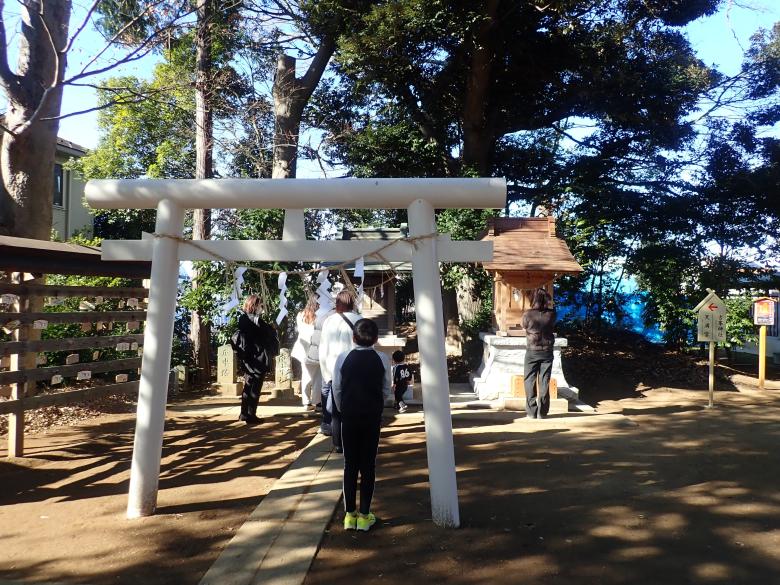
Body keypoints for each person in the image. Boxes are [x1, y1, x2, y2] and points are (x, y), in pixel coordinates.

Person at [332, 318, 391, 532]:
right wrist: (378, 405)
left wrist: (343, 409)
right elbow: (386, 388)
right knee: (368, 465)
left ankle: (349, 515)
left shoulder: (343, 357)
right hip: (372, 416)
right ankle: (365, 516)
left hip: (349, 416)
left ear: (353, 337)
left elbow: (337, 388)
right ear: (376, 339)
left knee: (350, 464)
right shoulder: (382, 358)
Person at [319, 290, 361, 450]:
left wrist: (325, 370)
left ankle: (338, 443)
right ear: (352, 303)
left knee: (337, 409)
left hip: (332, 366)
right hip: (353, 367)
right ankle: (352, 439)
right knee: (354, 405)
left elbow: (323, 346)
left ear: (337, 303)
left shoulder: (329, 321)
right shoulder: (359, 320)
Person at [230, 294, 279, 425]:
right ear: (255, 305)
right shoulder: (256, 321)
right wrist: (272, 328)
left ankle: (244, 413)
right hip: (258, 357)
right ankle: (251, 415)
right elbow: (267, 334)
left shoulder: (243, 319)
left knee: (248, 386)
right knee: (255, 388)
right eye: (260, 305)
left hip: (247, 357)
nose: (262, 308)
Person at [520, 288, 557, 420]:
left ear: (533, 299)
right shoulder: (551, 315)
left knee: (529, 380)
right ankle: (542, 412)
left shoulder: (527, 314)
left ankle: (531, 411)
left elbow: (523, 326)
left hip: (532, 350)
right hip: (547, 351)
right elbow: (553, 324)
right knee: (544, 380)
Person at [291, 297, 322, 411]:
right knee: (318, 377)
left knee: (306, 375)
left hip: (303, 347)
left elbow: (300, 330)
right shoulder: (320, 317)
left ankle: (306, 402)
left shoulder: (300, 315)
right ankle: (318, 403)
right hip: (315, 347)